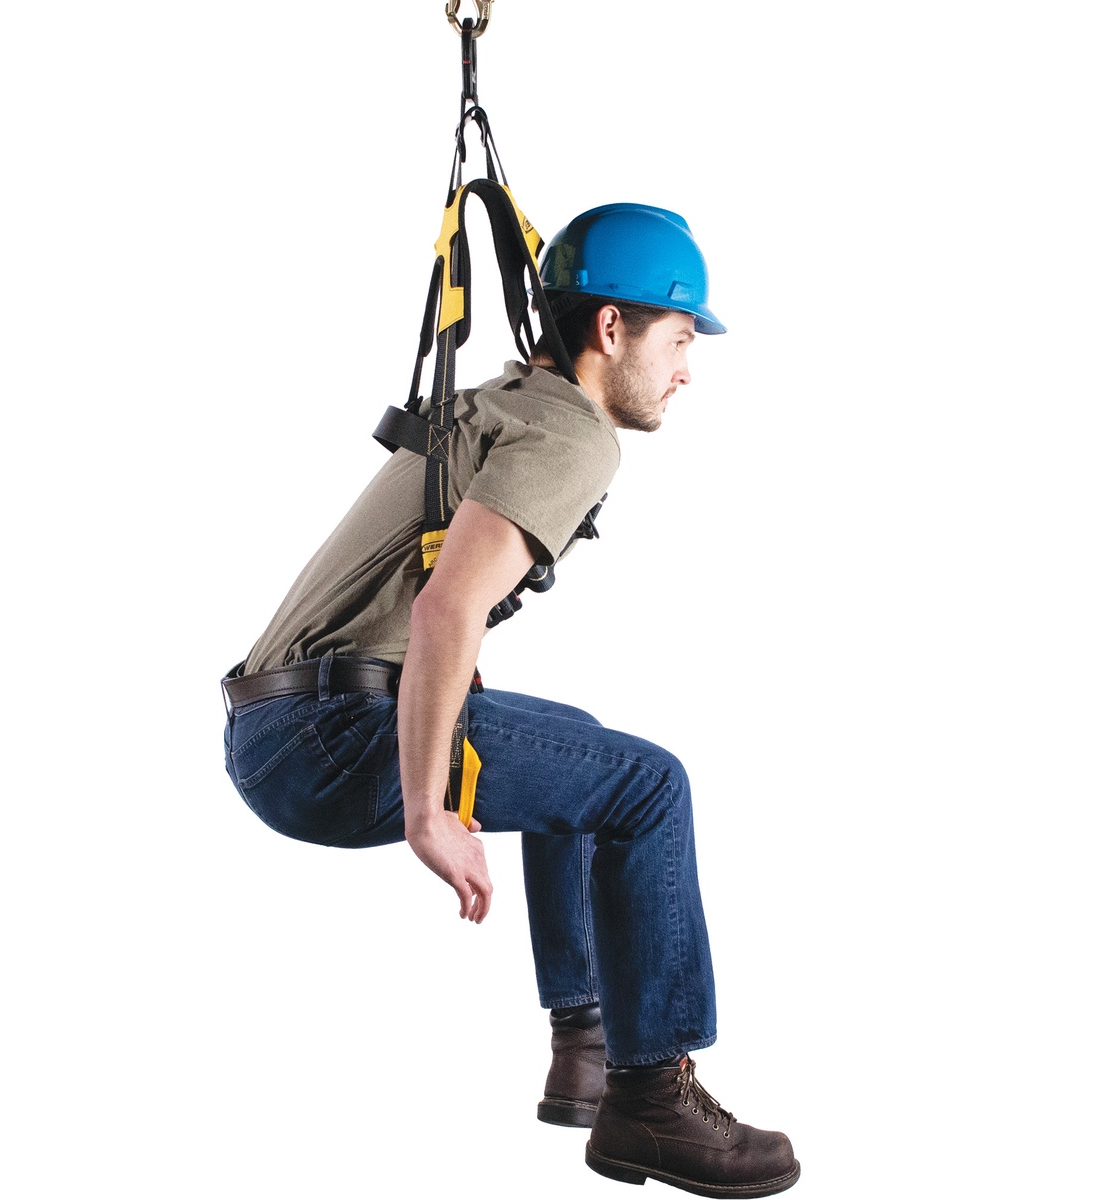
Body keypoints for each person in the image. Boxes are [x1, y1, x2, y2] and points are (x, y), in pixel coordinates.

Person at [221, 203, 800, 1197]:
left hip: (278, 725)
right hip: (327, 735)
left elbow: (423, 593)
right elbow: (446, 607)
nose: (687, 371)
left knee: (585, 752)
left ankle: (587, 1047)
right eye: (678, 339)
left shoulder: (505, 402)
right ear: (611, 327)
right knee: (649, 786)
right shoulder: (572, 435)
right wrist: (427, 811)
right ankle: (651, 1098)